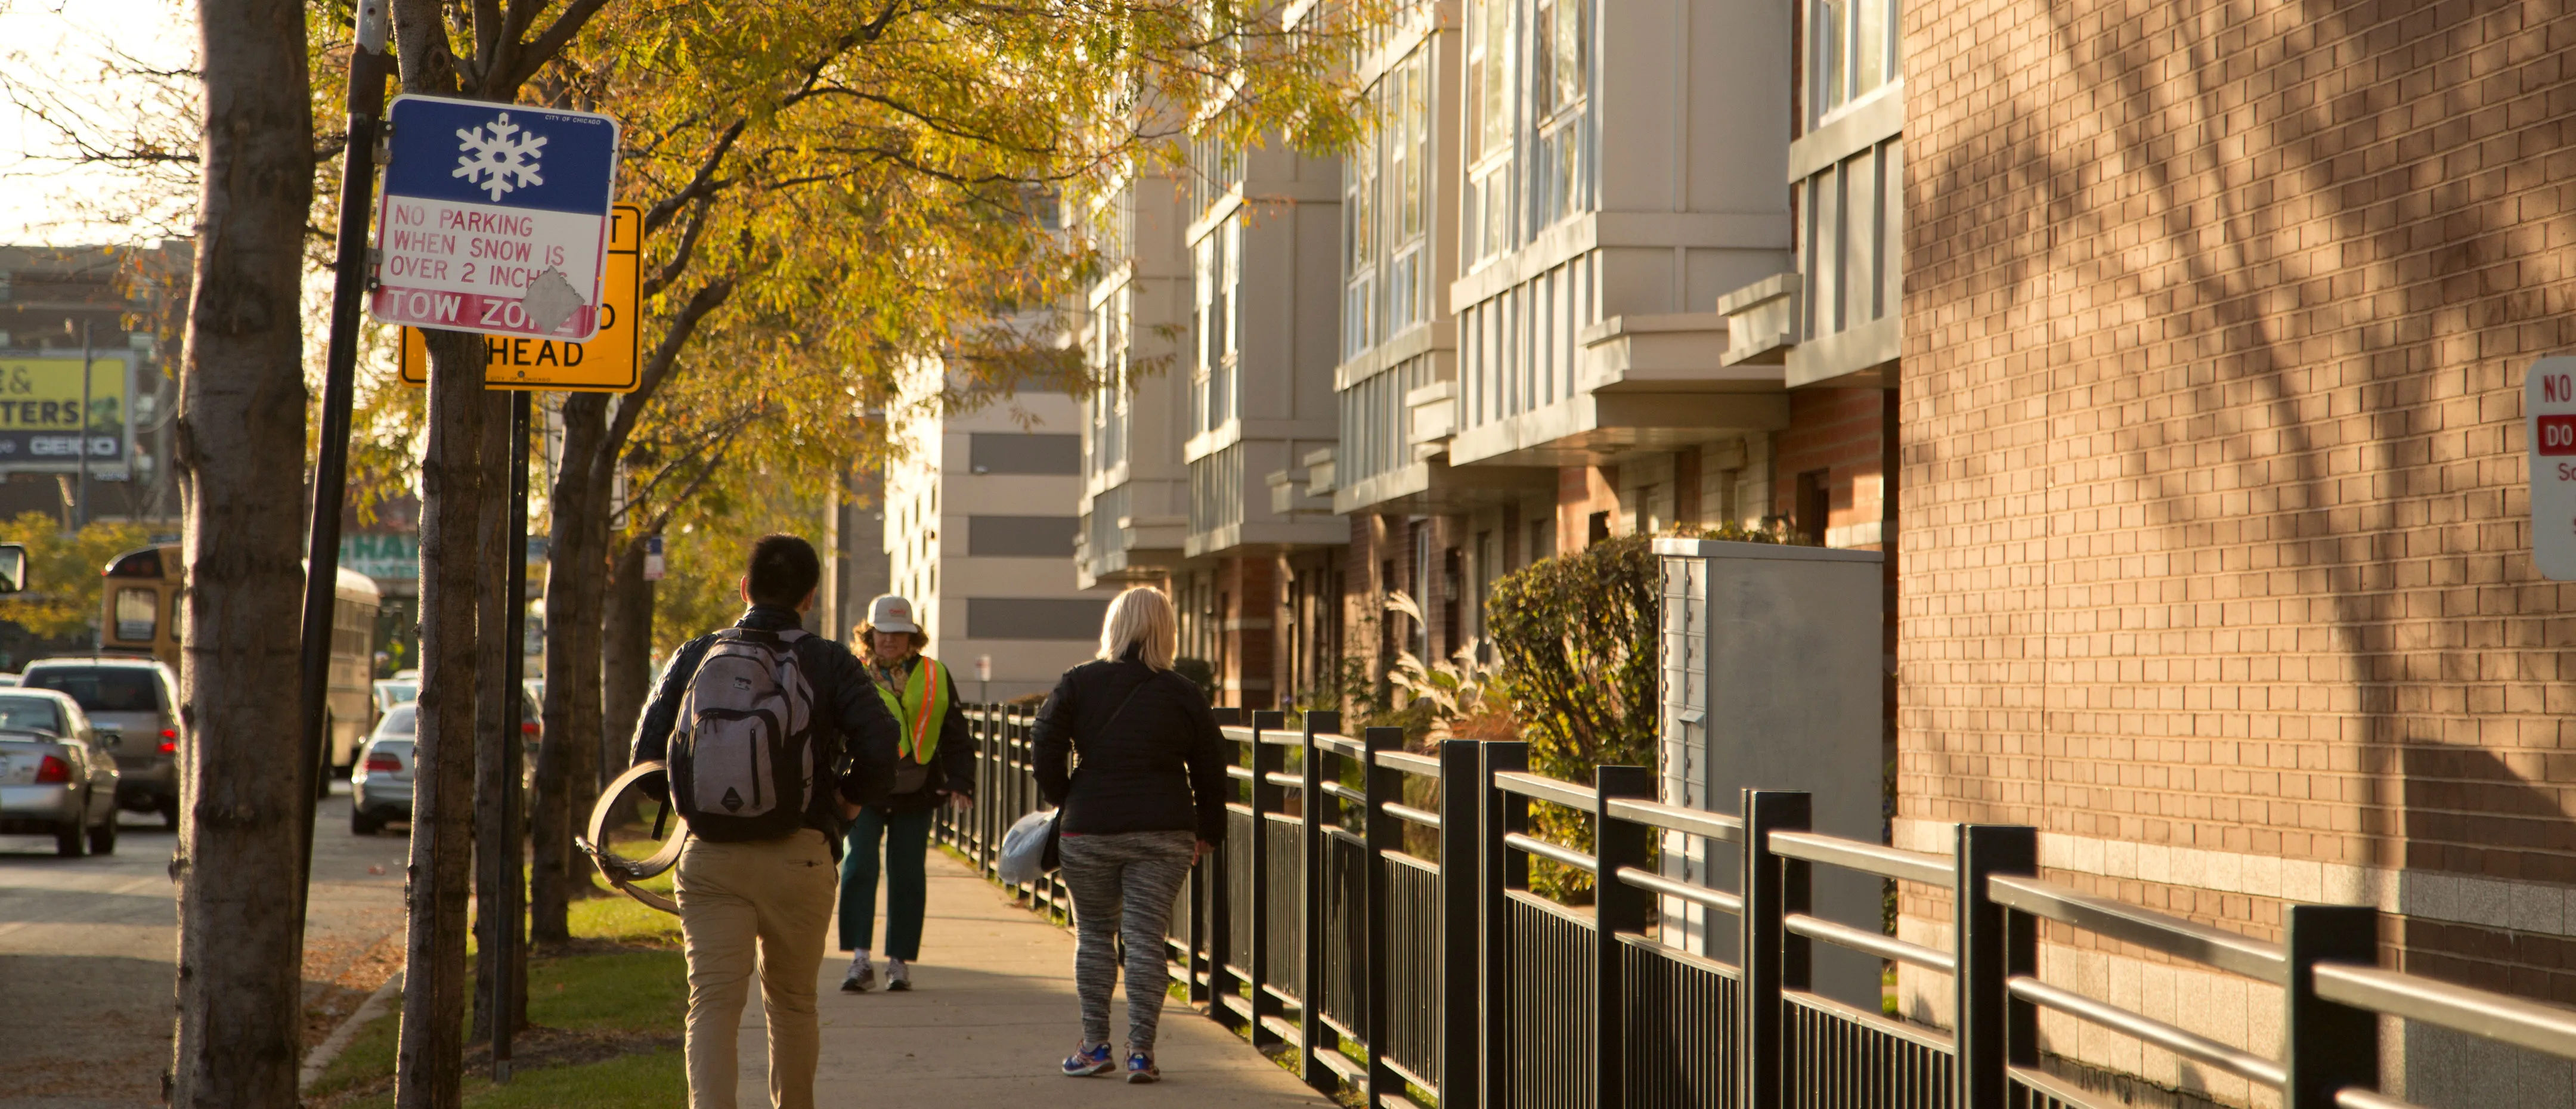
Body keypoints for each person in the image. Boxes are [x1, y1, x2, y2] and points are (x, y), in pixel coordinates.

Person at [631, 535, 902, 1109]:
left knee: (711, 1004)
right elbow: (881, 744)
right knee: (794, 1003)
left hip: (710, 860)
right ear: (810, 596)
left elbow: (646, 762)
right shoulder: (831, 661)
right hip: (800, 852)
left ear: (745, 589)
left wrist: (695, 803)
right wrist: (845, 807)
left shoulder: (696, 653)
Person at [1031, 586, 1225, 1085]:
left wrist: (1063, 797)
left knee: (1094, 934)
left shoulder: (1079, 682)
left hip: (1089, 828)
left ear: (1113, 626)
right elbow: (1210, 765)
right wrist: (1209, 830)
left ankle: (1095, 1046)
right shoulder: (1184, 692)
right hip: (1165, 831)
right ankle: (1142, 1052)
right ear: (1167, 630)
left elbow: (1044, 742)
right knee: (1145, 938)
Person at [837, 593, 976, 993]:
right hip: (864, 788)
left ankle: (898, 963)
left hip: (916, 790)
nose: (890, 640)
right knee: (859, 866)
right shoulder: (854, 673)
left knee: (908, 874)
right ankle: (860, 960)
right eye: (883, 632)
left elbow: (955, 734)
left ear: (912, 636)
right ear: (870, 634)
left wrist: (960, 781)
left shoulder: (934, 674)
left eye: (899, 633)